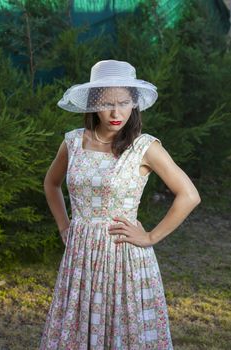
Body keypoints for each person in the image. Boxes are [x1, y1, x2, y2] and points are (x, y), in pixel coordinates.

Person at [40, 59, 201, 349]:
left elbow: (189, 194)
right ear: (93, 104)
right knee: (80, 329)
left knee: (123, 332)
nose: (116, 112)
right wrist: (65, 225)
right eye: (107, 103)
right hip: (81, 258)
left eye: (124, 103)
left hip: (123, 256)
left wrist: (150, 237)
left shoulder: (144, 147)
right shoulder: (74, 142)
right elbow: (51, 184)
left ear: (134, 104)